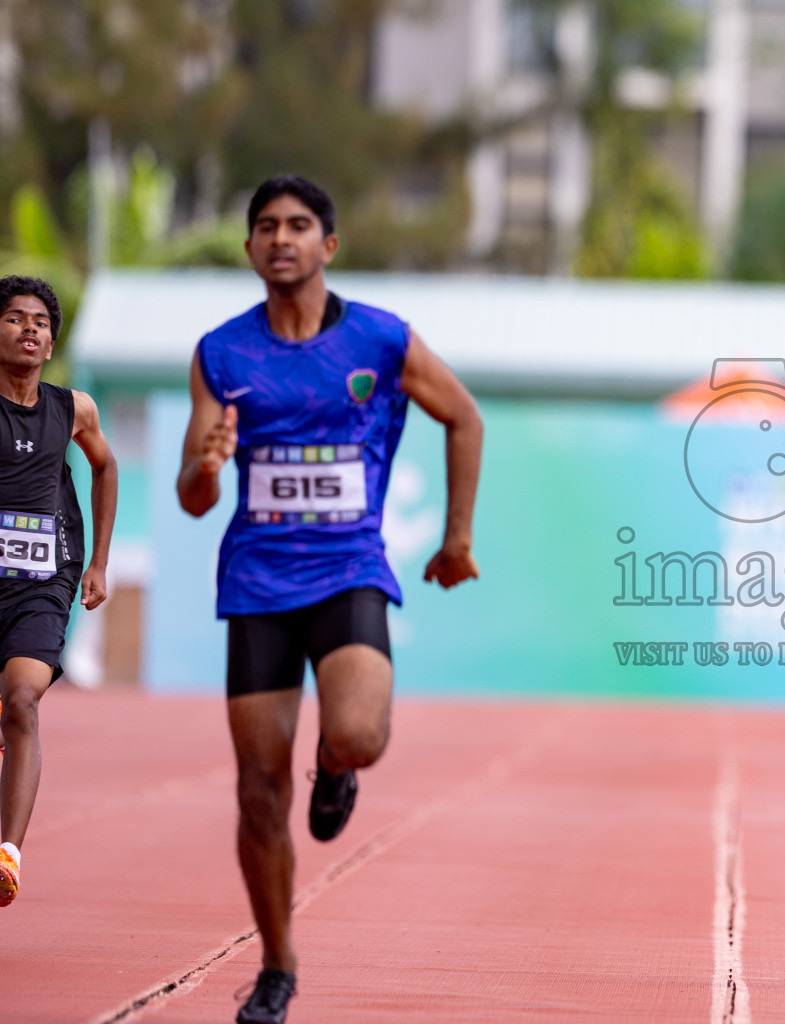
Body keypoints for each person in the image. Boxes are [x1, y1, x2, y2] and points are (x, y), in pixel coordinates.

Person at [177, 176, 483, 1024]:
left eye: (300, 225)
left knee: (357, 735)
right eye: (266, 227)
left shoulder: (382, 340)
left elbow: (464, 416)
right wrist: (205, 464)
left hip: (347, 568)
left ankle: (335, 773)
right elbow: (192, 495)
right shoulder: (221, 352)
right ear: (248, 250)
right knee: (255, 793)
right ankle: (276, 967)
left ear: (328, 246)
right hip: (257, 581)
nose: (282, 238)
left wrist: (456, 539)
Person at [0, 275, 118, 908]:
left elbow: (106, 466)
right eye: (15, 318)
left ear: (51, 342)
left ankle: (7, 854)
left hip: (44, 582)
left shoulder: (74, 409)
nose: (29, 328)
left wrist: (98, 562)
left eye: (40, 322)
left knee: (22, 700)